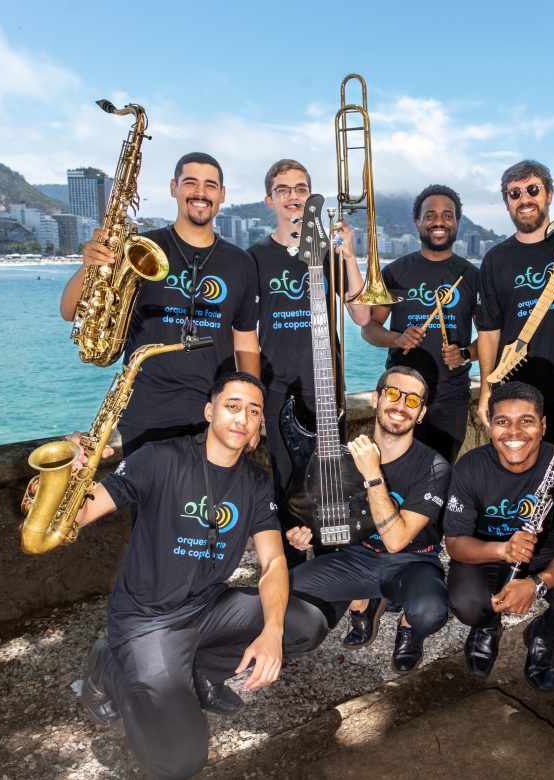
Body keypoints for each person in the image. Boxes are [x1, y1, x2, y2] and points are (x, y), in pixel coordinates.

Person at [73, 371, 328, 780]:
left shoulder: (255, 482)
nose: (242, 417)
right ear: (210, 411)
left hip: (207, 606)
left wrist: (272, 631)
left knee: (306, 624)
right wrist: (69, 472)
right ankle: (112, 665)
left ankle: (201, 674)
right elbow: (81, 513)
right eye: (232, 406)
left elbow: (273, 563)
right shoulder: (160, 458)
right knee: (180, 762)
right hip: (147, 620)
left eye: (253, 411)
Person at [60, 152, 261, 456]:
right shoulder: (137, 249)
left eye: (210, 185)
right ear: (173, 188)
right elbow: (69, 311)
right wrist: (89, 265)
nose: (200, 192)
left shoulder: (241, 263)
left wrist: (253, 411)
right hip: (144, 413)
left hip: (216, 414)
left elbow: (245, 340)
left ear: (222, 194)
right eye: (190, 182)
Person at [286, 367, 451, 673]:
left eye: (412, 400)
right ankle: (363, 602)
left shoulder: (434, 467)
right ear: (376, 399)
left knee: (430, 611)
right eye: (393, 393)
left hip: (411, 561)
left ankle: (409, 629)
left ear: (421, 413)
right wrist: (307, 534)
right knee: (284, 592)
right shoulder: (344, 455)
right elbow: (328, 513)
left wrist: (373, 474)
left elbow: (396, 541)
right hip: (357, 557)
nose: (400, 405)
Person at [248, 159, 370, 567]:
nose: (293, 197)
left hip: (325, 385)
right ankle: (293, 568)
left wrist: (349, 255)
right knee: (287, 482)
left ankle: (334, 562)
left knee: (332, 478)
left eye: (301, 188)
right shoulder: (256, 257)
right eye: (283, 190)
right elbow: (242, 331)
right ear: (270, 200)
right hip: (275, 386)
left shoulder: (327, 254)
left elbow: (362, 316)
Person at [444, 381, 554, 691]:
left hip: (545, 551)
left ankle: (543, 635)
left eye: (526, 421)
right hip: (488, 548)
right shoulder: (470, 467)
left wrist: (536, 583)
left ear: (543, 426)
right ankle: (487, 627)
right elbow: (456, 544)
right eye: (503, 422)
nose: (514, 432)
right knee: (466, 603)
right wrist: (503, 550)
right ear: (490, 425)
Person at [476, 160, 554, 452]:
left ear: (550, 194)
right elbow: (489, 331)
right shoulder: (495, 260)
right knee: (513, 472)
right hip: (512, 395)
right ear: (507, 203)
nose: (524, 199)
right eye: (514, 193)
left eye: (533, 189)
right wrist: (485, 390)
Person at [361, 184, 480, 463]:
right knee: (393, 470)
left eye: (447, 215)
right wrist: (397, 339)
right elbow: (368, 329)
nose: (439, 222)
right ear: (417, 222)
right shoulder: (394, 272)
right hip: (399, 394)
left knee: (440, 471)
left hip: (451, 396)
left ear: (457, 222)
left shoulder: (471, 275)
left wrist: (465, 354)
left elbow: (488, 338)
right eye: (430, 215)